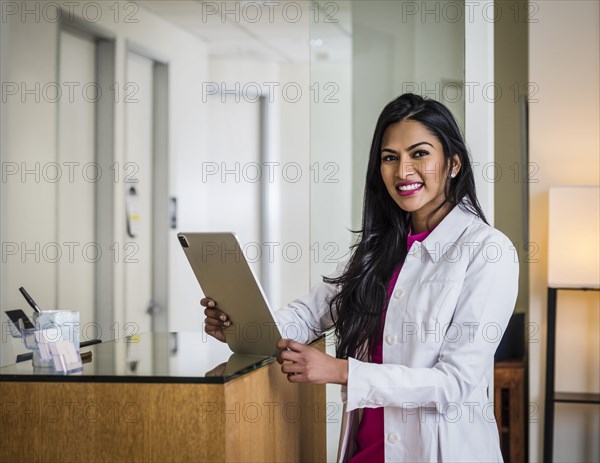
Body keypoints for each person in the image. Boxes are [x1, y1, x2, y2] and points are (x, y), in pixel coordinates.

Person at [202, 93, 518, 462]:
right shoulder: (376, 250)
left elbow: (456, 383)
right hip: (365, 450)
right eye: (390, 158)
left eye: (419, 154)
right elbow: (307, 315)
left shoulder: (487, 251)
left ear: (453, 164)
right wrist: (245, 325)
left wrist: (341, 371)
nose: (403, 171)